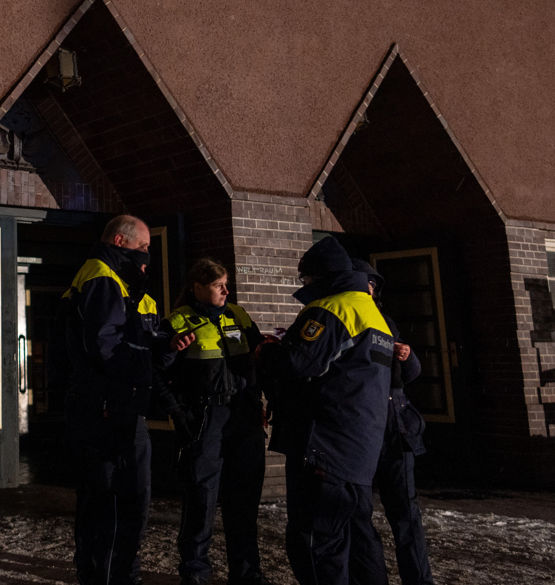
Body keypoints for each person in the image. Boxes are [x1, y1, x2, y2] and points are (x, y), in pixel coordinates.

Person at [258, 237, 394, 585]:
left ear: (318, 277)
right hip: (358, 452)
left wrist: (266, 352)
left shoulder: (330, 308)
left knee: (316, 544)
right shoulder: (373, 315)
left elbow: (297, 364)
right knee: (360, 542)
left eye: (305, 280)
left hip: (323, 450)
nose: (304, 288)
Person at [156, 258, 272, 585]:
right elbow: (157, 373)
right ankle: (195, 573)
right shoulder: (177, 321)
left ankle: (248, 574)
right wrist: (180, 416)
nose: (226, 290)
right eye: (218, 285)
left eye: (226, 284)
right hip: (207, 418)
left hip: (243, 416)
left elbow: (258, 359)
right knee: (201, 499)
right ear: (197, 287)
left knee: (244, 500)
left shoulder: (238, 314)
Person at [60, 214, 161, 585]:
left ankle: (104, 574)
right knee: (120, 501)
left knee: (105, 503)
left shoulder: (108, 279)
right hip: (109, 409)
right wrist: (147, 363)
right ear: (121, 242)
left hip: (107, 406)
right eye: (143, 247)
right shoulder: (104, 279)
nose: (147, 254)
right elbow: (107, 348)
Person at [349, 259, 434, 585]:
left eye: (371, 286)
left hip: (395, 423)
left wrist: (408, 356)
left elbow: (409, 374)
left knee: (405, 513)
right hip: (363, 424)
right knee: (359, 512)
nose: (368, 290)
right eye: (364, 284)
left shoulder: (385, 321)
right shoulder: (345, 317)